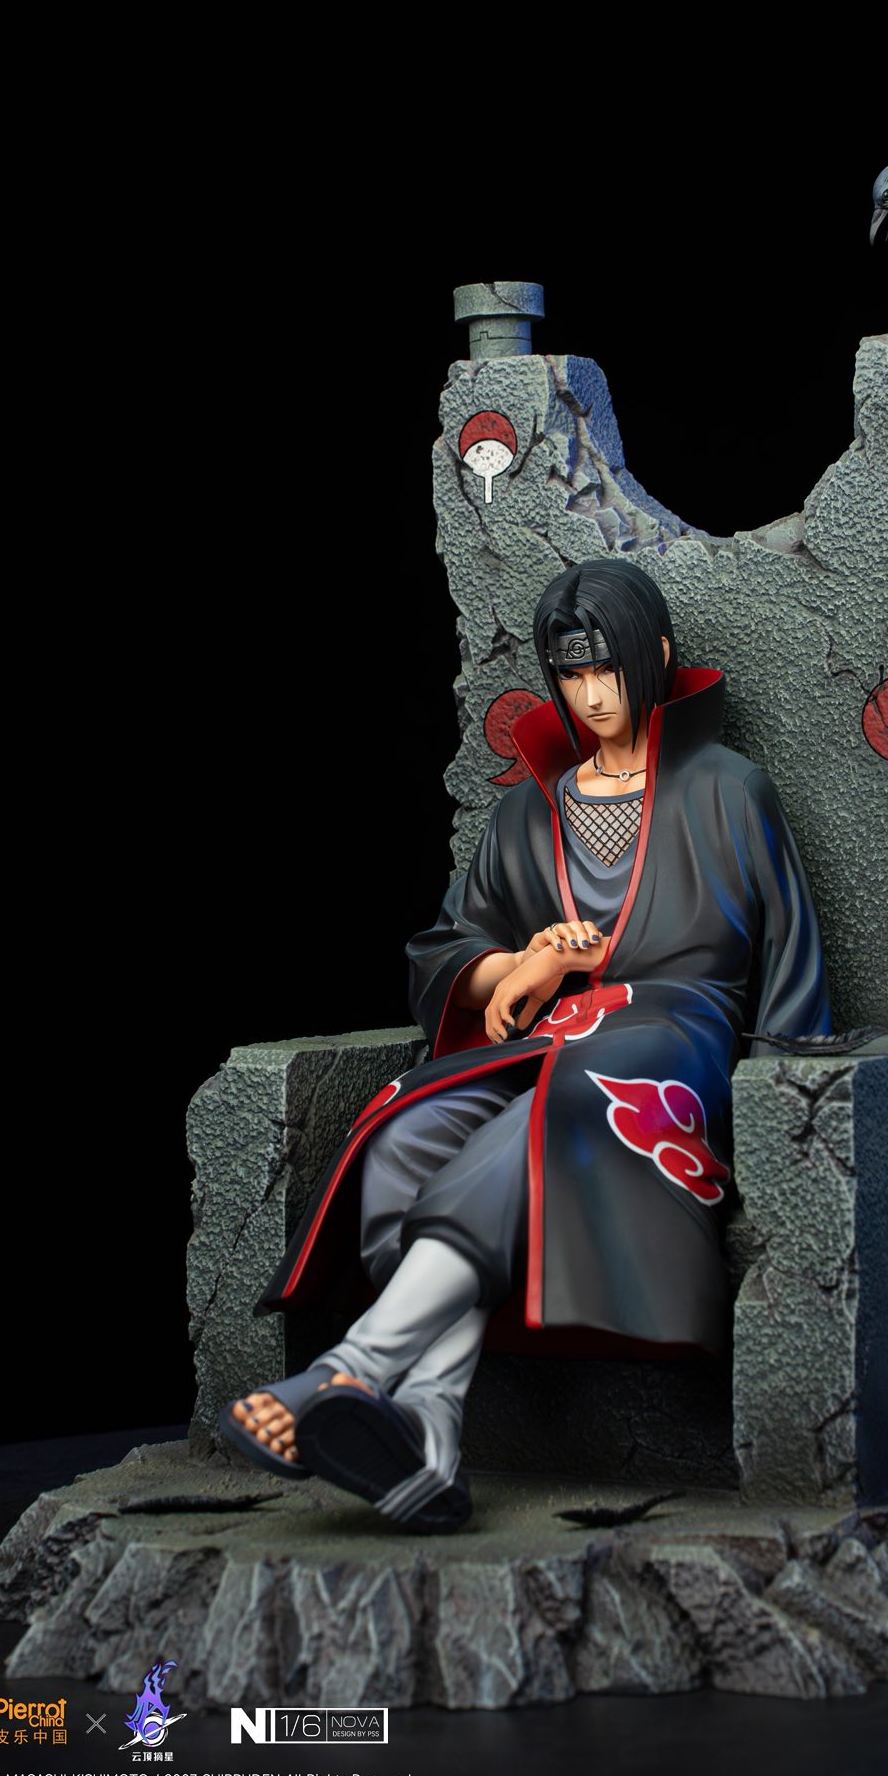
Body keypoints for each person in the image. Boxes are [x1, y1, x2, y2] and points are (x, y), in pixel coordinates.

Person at [222, 560, 831, 1529]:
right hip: (546, 1041)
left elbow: (792, 952)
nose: (592, 697)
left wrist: (788, 1098)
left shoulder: (727, 789)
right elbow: (444, 947)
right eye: (572, 675)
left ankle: (357, 1367)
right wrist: (521, 966)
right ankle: (430, 1437)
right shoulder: (525, 811)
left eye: (610, 670)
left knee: (558, 1112)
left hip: (671, 1042)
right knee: (405, 1137)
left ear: (657, 657)